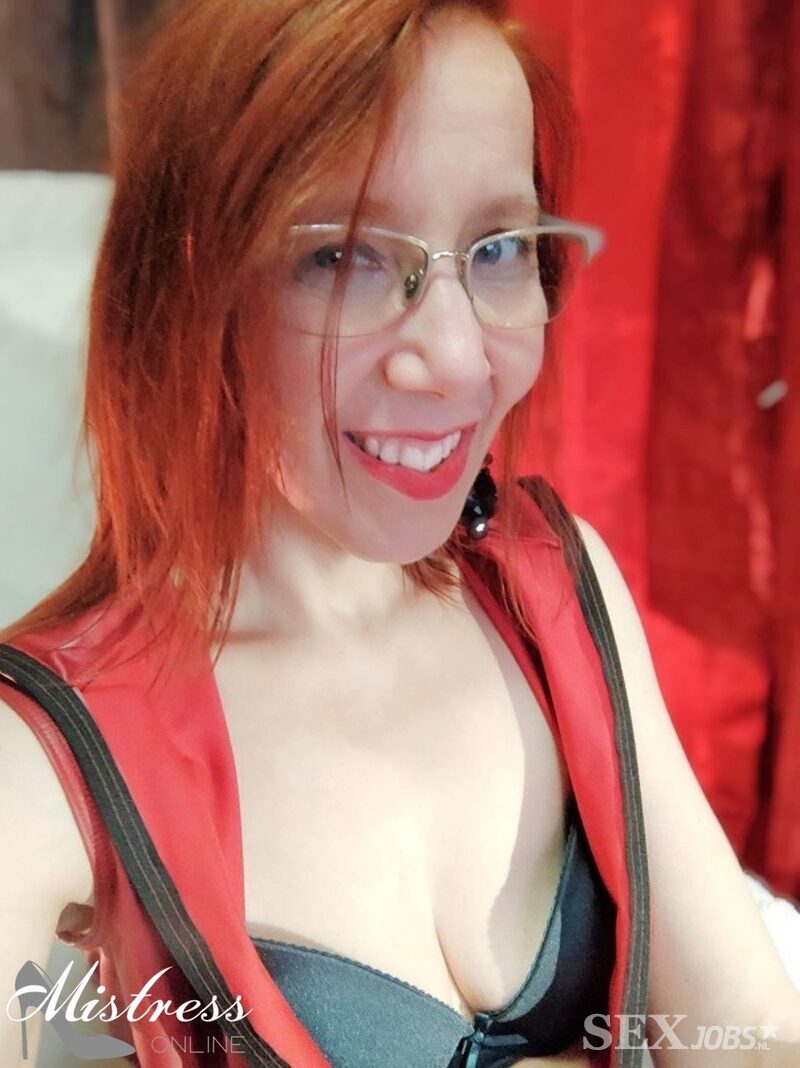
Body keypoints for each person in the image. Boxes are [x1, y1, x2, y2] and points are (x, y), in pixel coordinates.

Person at [1, 1, 799, 1066]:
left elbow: (751, 1038)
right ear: (192, 281)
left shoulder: (553, 588)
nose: (457, 359)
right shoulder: (40, 755)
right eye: (343, 257)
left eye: (499, 248)